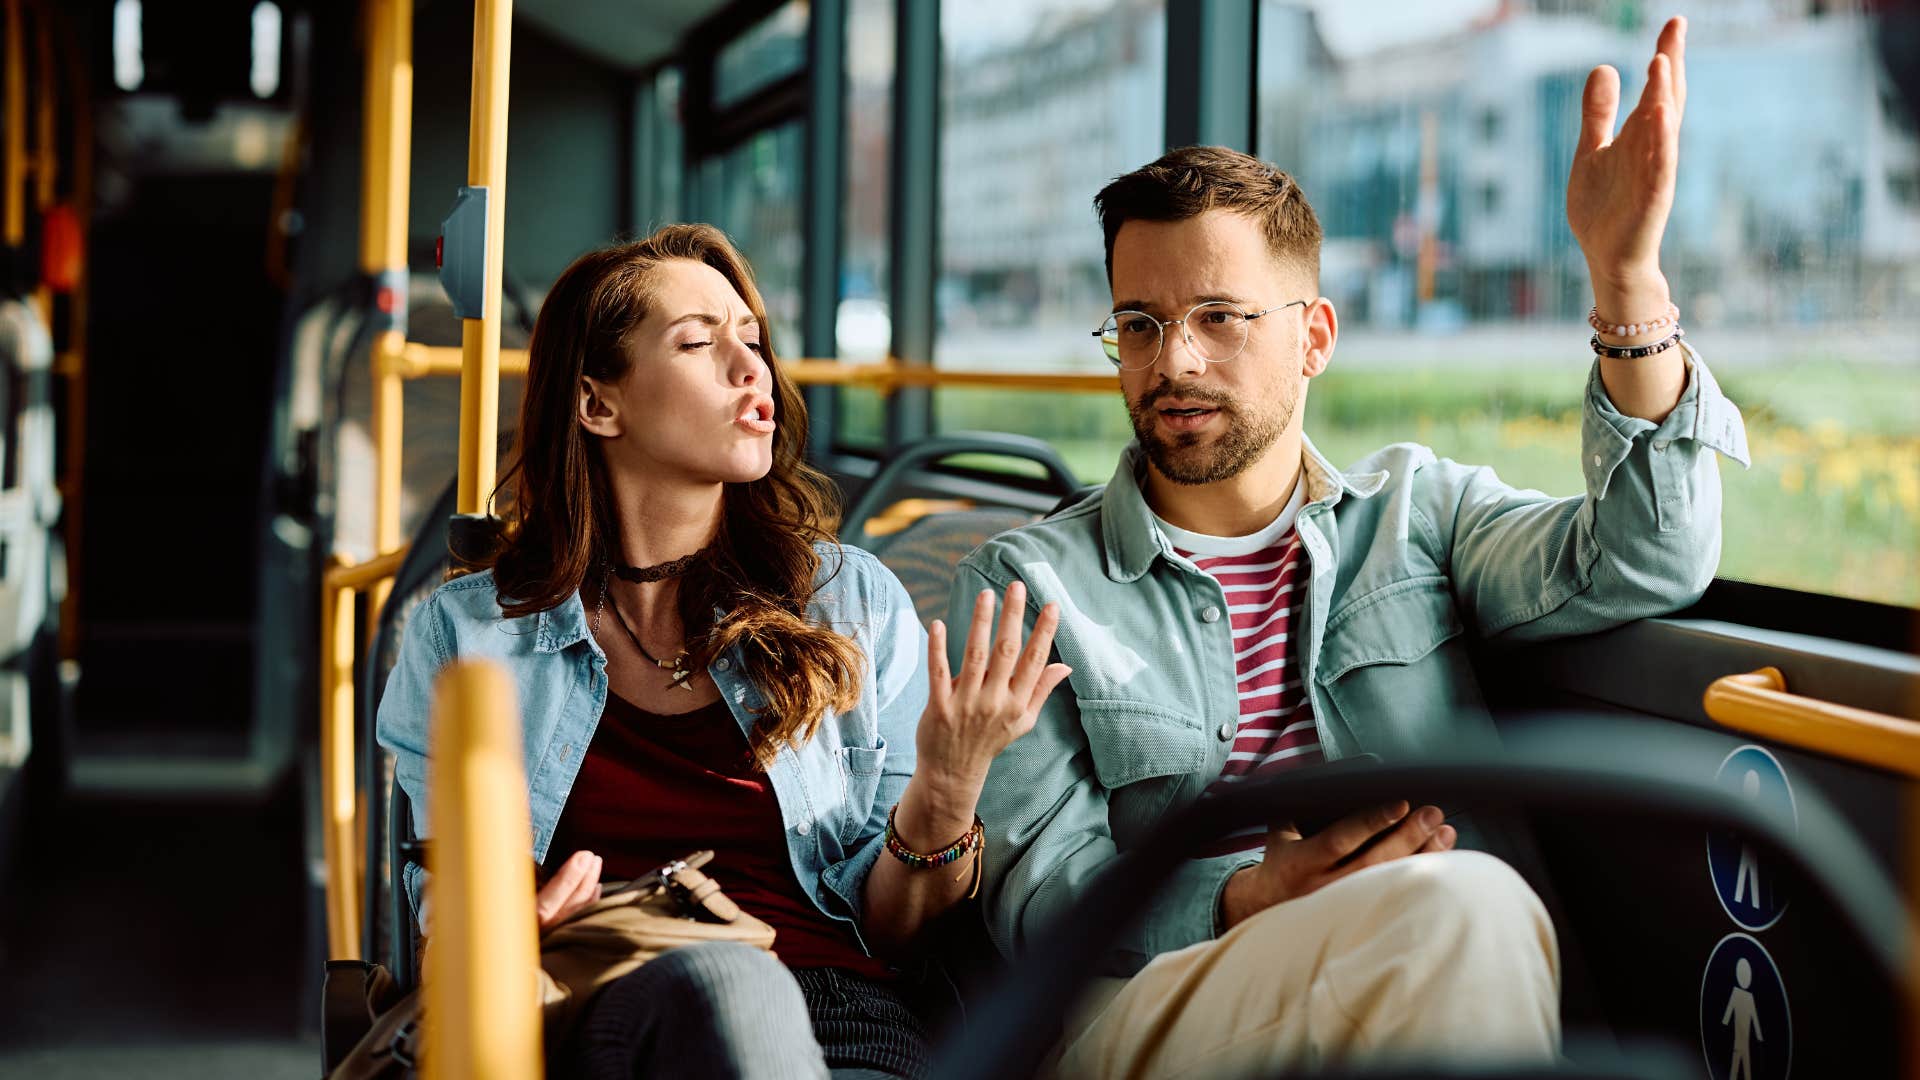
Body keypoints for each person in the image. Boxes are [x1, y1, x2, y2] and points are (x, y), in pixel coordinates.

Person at [956, 16, 1749, 1077]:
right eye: (1138, 323)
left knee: (1452, 918)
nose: (1173, 360)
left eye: (1220, 317)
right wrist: (1247, 896)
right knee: (1464, 909)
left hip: (1423, 964)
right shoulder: (1029, 586)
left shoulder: (1418, 513)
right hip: (1152, 1006)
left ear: (1314, 338)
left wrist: (1627, 282)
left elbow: (1651, 557)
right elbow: (1040, 900)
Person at [376, 224, 1071, 1079]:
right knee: (728, 980)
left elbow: (895, 931)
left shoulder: (850, 603)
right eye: (698, 343)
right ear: (598, 404)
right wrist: (503, 931)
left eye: (752, 337)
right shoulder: (469, 635)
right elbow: (446, 919)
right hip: (590, 1004)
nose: (753, 369)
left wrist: (950, 786)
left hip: (839, 1015)